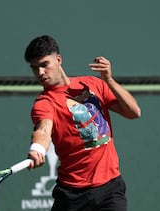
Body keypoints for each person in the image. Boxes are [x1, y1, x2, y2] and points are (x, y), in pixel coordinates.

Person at [24, 35, 141, 211]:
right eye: (34, 68)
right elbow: (43, 129)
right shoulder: (44, 103)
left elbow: (133, 112)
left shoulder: (93, 83)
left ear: (58, 60)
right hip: (73, 196)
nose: (40, 73)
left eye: (44, 65)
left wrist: (109, 80)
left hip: (111, 188)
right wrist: (37, 148)